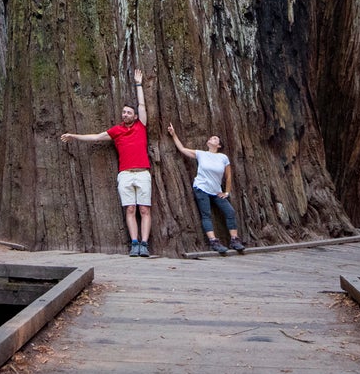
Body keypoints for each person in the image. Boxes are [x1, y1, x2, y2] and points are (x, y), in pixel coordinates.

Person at [60, 70, 153, 256]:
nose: (125, 114)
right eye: (124, 112)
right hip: (125, 173)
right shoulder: (116, 130)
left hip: (142, 172)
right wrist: (73, 136)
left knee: (144, 209)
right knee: (130, 209)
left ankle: (145, 243)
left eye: (129, 112)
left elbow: (142, 105)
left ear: (135, 116)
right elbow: (95, 137)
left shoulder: (140, 126)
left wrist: (138, 84)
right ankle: (134, 243)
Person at [167, 123, 245, 254]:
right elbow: (182, 149)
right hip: (201, 188)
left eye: (215, 138)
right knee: (206, 214)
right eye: (211, 137)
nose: (211, 139)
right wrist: (173, 134)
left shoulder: (223, 157)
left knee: (230, 211)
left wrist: (227, 192)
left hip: (216, 191)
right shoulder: (201, 154)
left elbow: (229, 176)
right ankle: (213, 241)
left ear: (219, 145)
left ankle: (234, 239)